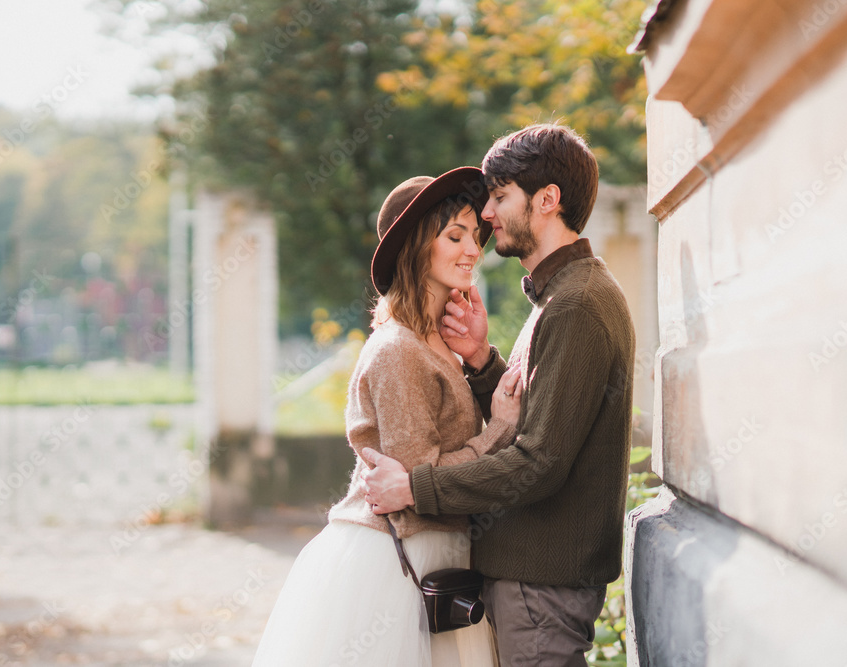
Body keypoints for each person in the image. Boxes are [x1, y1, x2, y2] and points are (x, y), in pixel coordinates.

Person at [362, 124, 637, 667]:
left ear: (547, 201)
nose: (487, 215)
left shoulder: (576, 304)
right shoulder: (560, 297)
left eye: (499, 196)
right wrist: (485, 362)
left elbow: (538, 462)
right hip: (533, 582)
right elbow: (541, 417)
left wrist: (415, 487)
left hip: (542, 584)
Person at [251, 167, 523, 667]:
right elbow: (416, 487)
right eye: (454, 235)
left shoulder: (435, 344)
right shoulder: (398, 350)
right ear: (418, 247)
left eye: (475, 236)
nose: (473, 250)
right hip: (398, 566)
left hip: (439, 556)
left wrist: (480, 355)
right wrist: (501, 429)